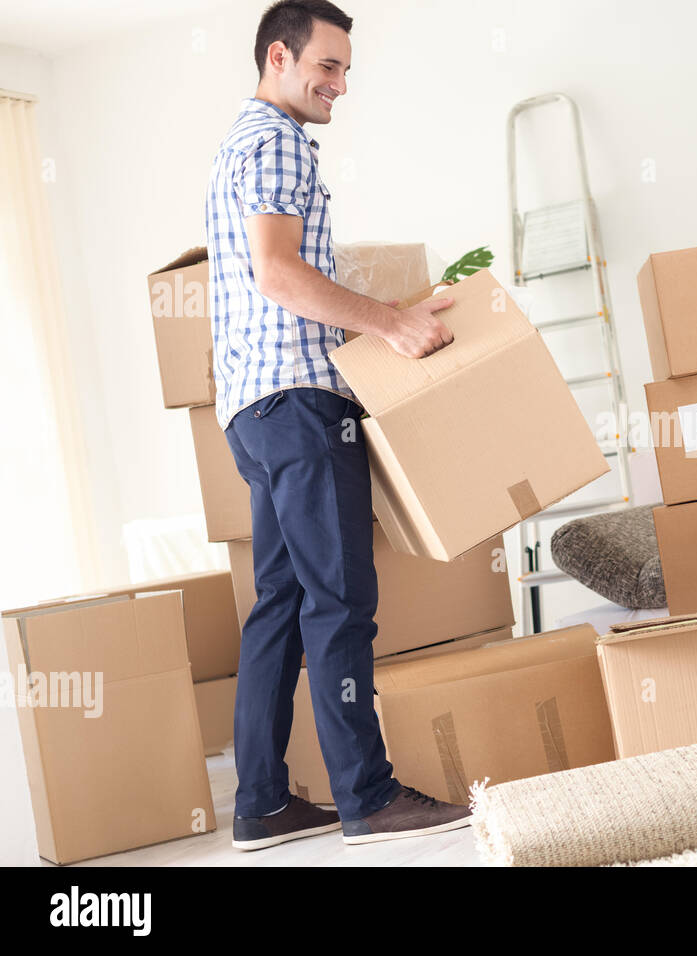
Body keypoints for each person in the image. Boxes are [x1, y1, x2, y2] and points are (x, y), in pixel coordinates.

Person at [206, 0, 470, 851]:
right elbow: (281, 276)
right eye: (327, 66)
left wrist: (389, 311)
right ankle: (367, 796)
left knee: (280, 604)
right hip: (300, 407)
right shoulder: (278, 141)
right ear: (278, 57)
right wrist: (392, 326)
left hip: (253, 410)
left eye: (346, 70)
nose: (340, 85)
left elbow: (273, 282)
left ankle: (260, 803)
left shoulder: (236, 145)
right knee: (341, 603)